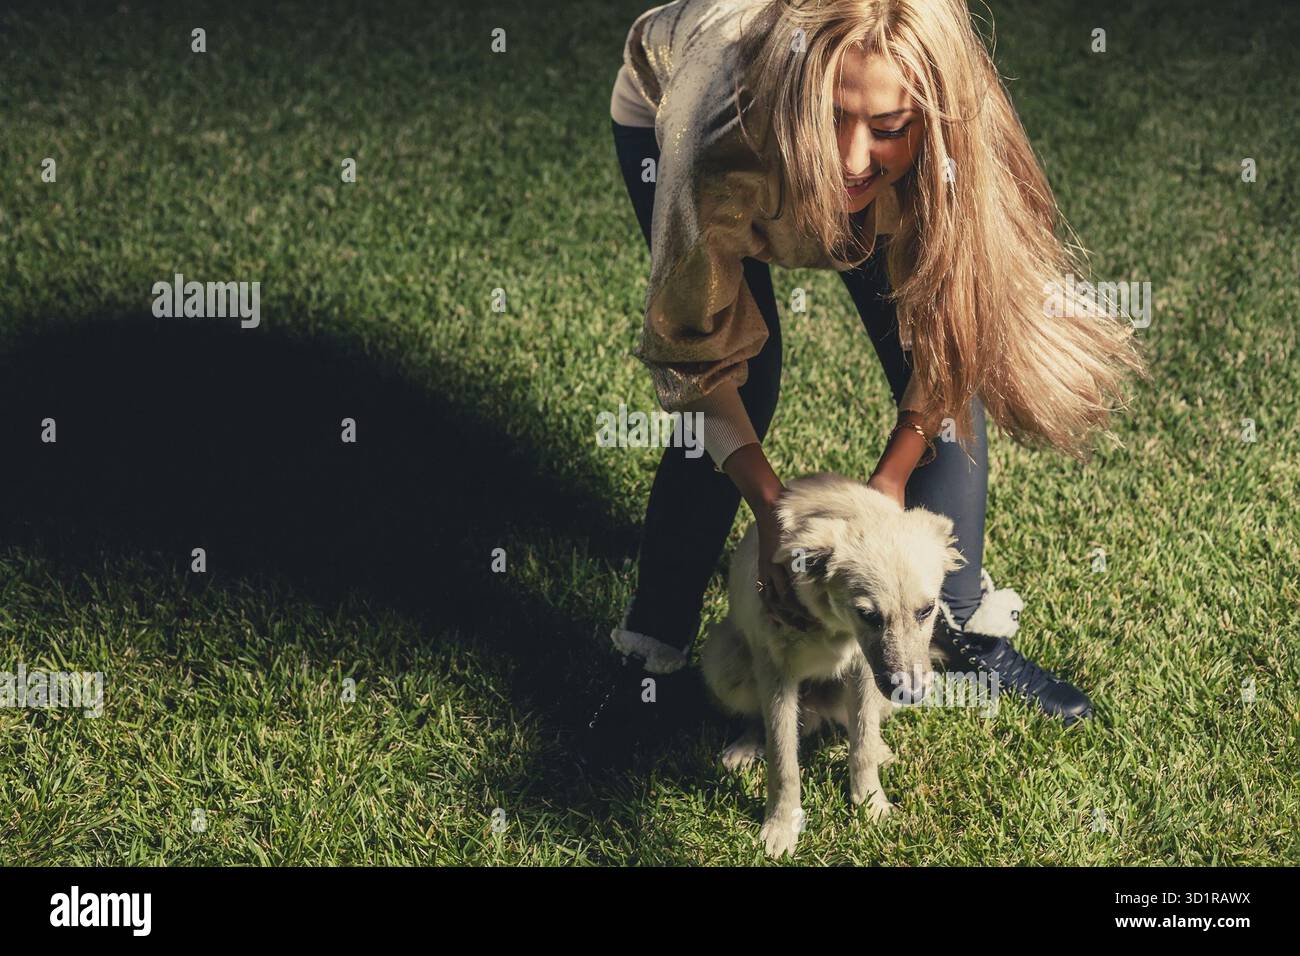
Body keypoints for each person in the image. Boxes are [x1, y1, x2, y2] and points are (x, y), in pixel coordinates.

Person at [585, 0, 1147, 759]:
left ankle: (957, 624)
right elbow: (697, 362)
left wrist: (893, 475)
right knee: (743, 386)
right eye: (834, 118)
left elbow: (948, 346)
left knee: (945, 387)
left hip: (844, 154)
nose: (851, 159)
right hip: (711, 130)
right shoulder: (715, 130)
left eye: (886, 127)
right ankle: (650, 654)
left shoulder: (948, 139)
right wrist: (775, 510)